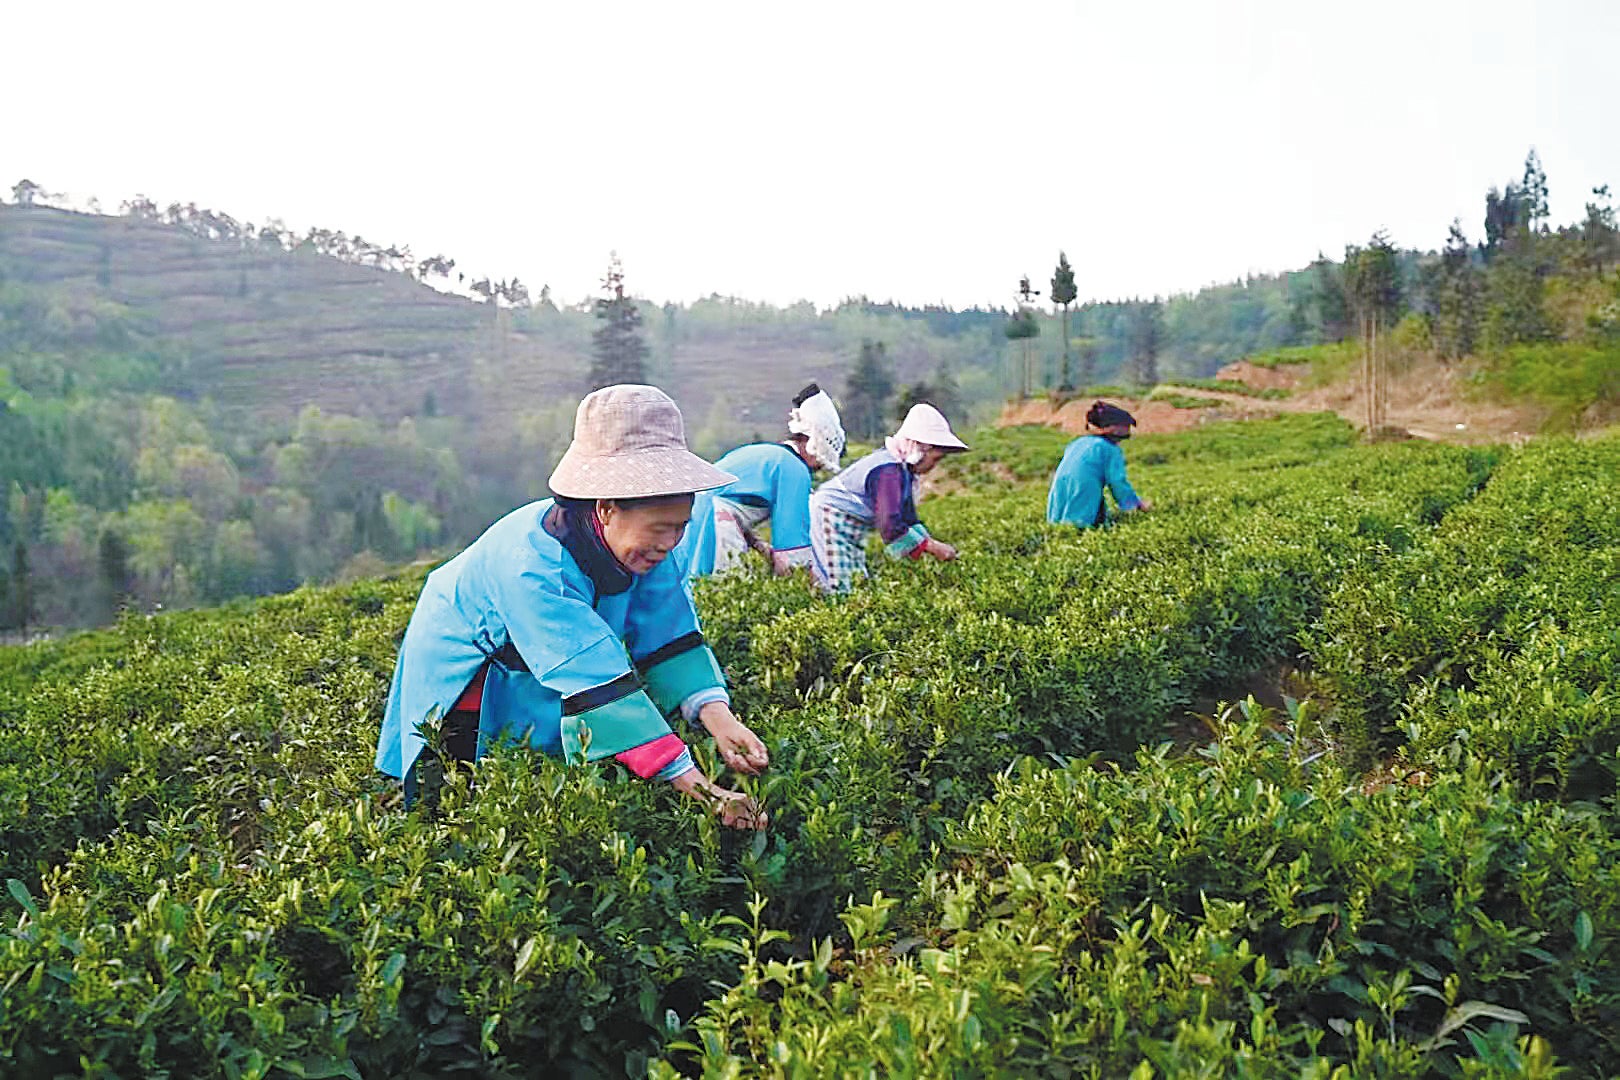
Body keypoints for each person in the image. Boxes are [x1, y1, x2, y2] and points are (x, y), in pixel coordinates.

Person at [375, 385, 769, 829]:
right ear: (605, 508)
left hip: (542, 661)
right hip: (473, 665)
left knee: (553, 779)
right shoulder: (534, 565)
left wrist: (721, 720)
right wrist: (706, 794)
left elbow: (669, 636)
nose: (670, 543)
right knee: (461, 795)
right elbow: (596, 681)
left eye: (681, 527)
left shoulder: (649, 545)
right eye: (660, 528)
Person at [681, 383, 846, 579]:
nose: (817, 468)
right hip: (717, 526)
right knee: (726, 590)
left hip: (691, 520)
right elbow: (791, 542)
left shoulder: (765, 453)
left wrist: (760, 547)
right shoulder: (794, 469)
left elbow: (736, 503)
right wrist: (804, 585)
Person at [809, 402, 967, 593]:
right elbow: (889, 523)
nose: (933, 466)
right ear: (920, 449)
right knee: (840, 584)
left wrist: (930, 544)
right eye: (935, 459)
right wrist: (933, 548)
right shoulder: (888, 470)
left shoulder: (903, 472)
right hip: (831, 516)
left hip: (850, 525)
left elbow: (908, 518)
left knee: (856, 580)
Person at [1046, 400, 1152, 528]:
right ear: (1114, 428)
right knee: (1080, 524)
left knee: (1061, 524)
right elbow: (1118, 482)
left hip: (1061, 485)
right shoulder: (1109, 449)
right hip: (1084, 486)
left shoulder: (1078, 442)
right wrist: (1136, 505)